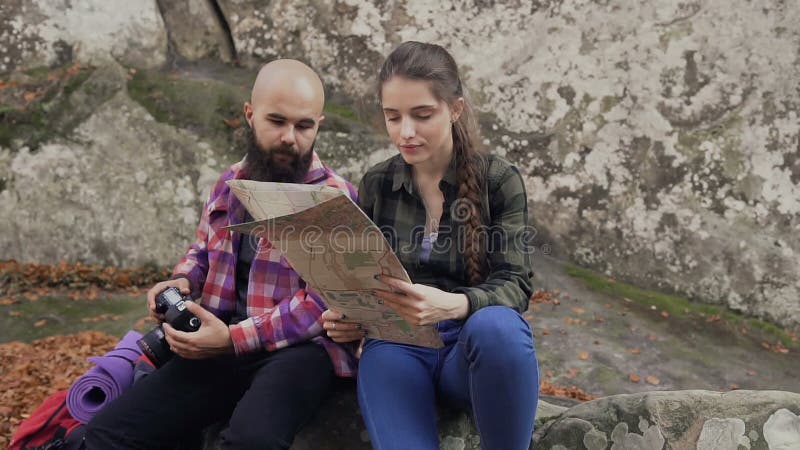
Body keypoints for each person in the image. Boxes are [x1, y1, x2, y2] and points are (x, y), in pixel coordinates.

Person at [84, 59, 360, 450]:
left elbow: (321, 303)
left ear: (319, 125)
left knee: (253, 440)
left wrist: (231, 339)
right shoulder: (229, 182)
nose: (289, 138)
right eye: (276, 121)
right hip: (219, 338)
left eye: (303, 126)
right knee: (106, 434)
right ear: (250, 115)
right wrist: (182, 280)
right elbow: (202, 250)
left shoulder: (336, 199)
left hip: (299, 352)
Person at [322, 41, 540, 450]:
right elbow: (358, 276)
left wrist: (451, 305)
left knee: (499, 328)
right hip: (396, 347)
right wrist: (344, 317)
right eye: (393, 117)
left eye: (422, 115)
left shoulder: (499, 181)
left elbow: (515, 284)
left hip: (470, 350)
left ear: (454, 109)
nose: (405, 132)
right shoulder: (377, 184)